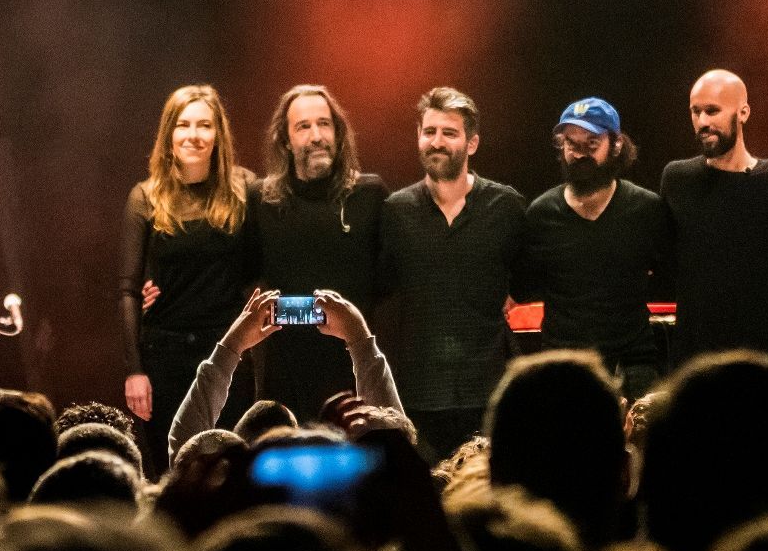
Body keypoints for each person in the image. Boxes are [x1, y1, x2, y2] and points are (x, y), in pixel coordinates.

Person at [378, 87, 528, 458]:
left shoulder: (506, 206)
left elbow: (529, 278)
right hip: (418, 394)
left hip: (489, 391)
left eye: (449, 132)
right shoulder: (396, 211)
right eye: (429, 132)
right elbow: (380, 287)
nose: (437, 142)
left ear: (472, 143)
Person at [118, 84, 258, 477]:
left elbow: (258, 266)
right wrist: (134, 370)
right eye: (183, 125)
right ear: (169, 135)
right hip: (164, 358)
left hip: (225, 353)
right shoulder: (145, 197)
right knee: (170, 475)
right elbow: (127, 290)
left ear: (218, 136)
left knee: (229, 474)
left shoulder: (245, 189)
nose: (193, 134)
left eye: (204, 125)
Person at [660, 69, 768, 384]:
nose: (703, 121)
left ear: (743, 112)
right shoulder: (678, 179)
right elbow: (660, 258)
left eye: (713, 110)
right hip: (695, 365)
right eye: (696, 112)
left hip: (765, 363)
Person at [517, 97, 673, 398]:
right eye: (571, 144)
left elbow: (670, 276)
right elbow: (525, 286)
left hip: (633, 365)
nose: (579, 153)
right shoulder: (540, 213)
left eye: (591, 143)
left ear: (615, 145)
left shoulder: (646, 208)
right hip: (563, 367)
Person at [252, 85, 388, 419]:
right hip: (285, 381)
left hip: (356, 374)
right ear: (285, 140)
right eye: (304, 126)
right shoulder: (260, 201)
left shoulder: (370, 194)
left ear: (338, 133)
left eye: (324, 124)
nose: (316, 135)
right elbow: (238, 278)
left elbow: (391, 281)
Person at [165, 288, 400, 461]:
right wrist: (359, 336)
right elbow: (396, 446)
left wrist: (233, 344)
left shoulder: (218, 507)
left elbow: (185, 448)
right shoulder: (341, 513)